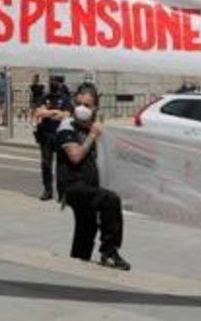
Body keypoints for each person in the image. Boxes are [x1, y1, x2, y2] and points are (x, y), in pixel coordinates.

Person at [55, 83, 129, 270]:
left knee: (87, 226)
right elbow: (75, 156)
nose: (82, 108)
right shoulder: (67, 127)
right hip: (72, 186)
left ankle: (78, 261)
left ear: (95, 108)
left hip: (87, 185)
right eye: (79, 103)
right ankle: (109, 252)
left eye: (87, 105)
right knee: (110, 200)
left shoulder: (92, 128)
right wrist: (92, 136)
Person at [32, 75, 72, 201]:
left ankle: (62, 193)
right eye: (51, 81)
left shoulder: (65, 99)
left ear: (60, 84)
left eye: (56, 81)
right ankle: (47, 190)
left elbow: (67, 114)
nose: (53, 84)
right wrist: (54, 112)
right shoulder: (45, 98)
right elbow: (38, 112)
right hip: (46, 135)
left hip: (60, 135)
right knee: (46, 164)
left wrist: (48, 112)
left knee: (62, 166)